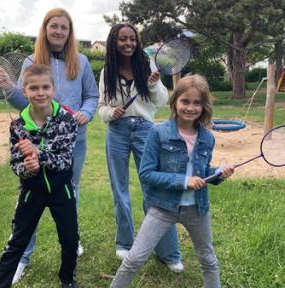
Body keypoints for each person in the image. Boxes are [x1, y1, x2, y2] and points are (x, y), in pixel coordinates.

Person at [0, 8, 99, 283]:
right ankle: (22, 256)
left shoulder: (81, 61)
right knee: (29, 199)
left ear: (70, 32)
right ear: (45, 29)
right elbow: (25, 100)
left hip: (72, 142)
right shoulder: (32, 60)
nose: (58, 31)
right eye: (54, 26)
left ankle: (71, 240)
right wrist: (9, 88)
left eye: (64, 27)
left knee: (69, 192)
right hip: (35, 143)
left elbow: (92, 95)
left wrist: (86, 113)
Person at [110, 74, 235, 288]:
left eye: (197, 103)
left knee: (208, 259)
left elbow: (202, 173)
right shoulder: (158, 132)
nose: (190, 107)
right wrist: (183, 181)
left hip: (197, 208)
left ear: (204, 106)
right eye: (185, 101)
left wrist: (218, 174)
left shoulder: (207, 137)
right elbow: (146, 174)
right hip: (162, 207)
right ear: (175, 101)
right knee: (134, 258)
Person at [98, 23, 183, 272]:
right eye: (123, 39)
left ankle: (167, 252)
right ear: (114, 42)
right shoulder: (107, 71)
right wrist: (110, 113)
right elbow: (101, 106)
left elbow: (162, 101)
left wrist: (155, 83)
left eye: (132, 39)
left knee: (155, 187)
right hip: (117, 131)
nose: (128, 43)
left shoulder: (148, 66)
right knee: (120, 190)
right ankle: (125, 241)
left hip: (146, 130)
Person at [0, 64, 79, 288]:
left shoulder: (67, 120)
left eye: (45, 87)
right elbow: (15, 163)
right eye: (34, 88)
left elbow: (65, 161)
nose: (40, 93)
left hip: (62, 190)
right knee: (17, 242)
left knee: (69, 240)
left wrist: (39, 155)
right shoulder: (17, 125)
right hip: (32, 192)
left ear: (53, 88)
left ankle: (67, 279)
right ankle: (0, 284)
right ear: (24, 90)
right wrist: (27, 168)